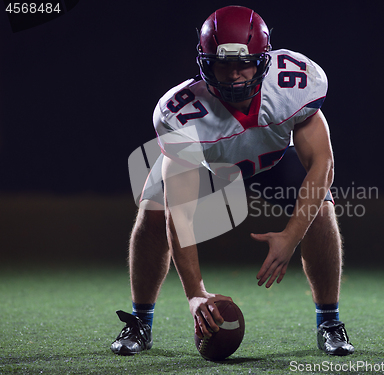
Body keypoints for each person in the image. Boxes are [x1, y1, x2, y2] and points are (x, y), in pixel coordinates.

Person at [111, 5, 354, 357]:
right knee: (152, 215)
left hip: (274, 158)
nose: (235, 75)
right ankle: (140, 322)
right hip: (208, 166)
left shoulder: (294, 84)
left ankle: (329, 322)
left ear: (264, 60)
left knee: (320, 210)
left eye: (244, 63)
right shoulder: (180, 115)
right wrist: (195, 292)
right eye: (224, 65)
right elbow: (178, 212)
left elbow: (322, 165)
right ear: (205, 63)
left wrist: (291, 236)